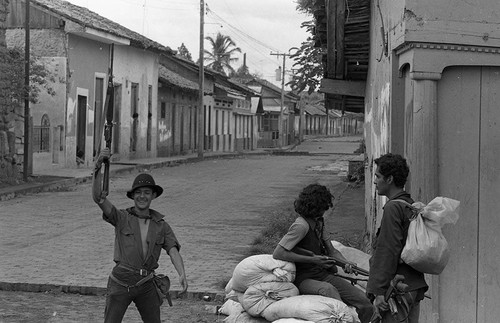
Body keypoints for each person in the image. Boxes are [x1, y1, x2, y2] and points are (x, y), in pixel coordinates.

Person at [92, 147, 188, 323]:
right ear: (133, 195)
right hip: (121, 281)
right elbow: (99, 197)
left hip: (146, 284)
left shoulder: (161, 225)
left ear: (153, 196)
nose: (142, 196)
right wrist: (98, 167)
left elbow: (173, 251)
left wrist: (182, 273)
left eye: (146, 193)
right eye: (138, 192)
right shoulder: (121, 217)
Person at [273, 183, 374, 323]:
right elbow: (278, 252)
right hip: (304, 279)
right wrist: (313, 260)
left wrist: (346, 263)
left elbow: (332, 250)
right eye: (324, 205)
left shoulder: (319, 222)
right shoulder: (300, 226)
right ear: (316, 206)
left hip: (323, 274)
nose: (326, 209)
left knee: (365, 303)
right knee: (330, 292)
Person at [367, 153, 428, 322]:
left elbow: (388, 250)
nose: (374, 181)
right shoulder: (409, 204)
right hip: (413, 286)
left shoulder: (393, 208)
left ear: (389, 179)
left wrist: (378, 291)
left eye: (378, 176)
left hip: (397, 289)